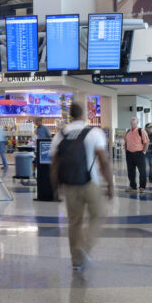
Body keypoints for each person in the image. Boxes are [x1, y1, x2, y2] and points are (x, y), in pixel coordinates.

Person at [50, 102, 114, 272]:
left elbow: (54, 165)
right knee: (98, 215)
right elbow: (103, 161)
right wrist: (110, 185)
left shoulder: (60, 135)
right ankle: (85, 247)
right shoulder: (94, 133)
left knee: (74, 222)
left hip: (69, 185)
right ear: (83, 114)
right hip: (90, 183)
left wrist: (55, 188)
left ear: (69, 115)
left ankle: (76, 262)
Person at [123, 116, 149, 192]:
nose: (131, 121)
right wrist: (126, 150)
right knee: (130, 171)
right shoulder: (128, 132)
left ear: (137, 122)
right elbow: (125, 142)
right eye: (131, 120)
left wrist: (144, 152)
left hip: (139, 154)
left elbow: (146, 142)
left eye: (133, 119)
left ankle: (142, 187)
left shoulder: (141, 131)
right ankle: (132, 186)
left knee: (142, 171)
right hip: (129, 154)